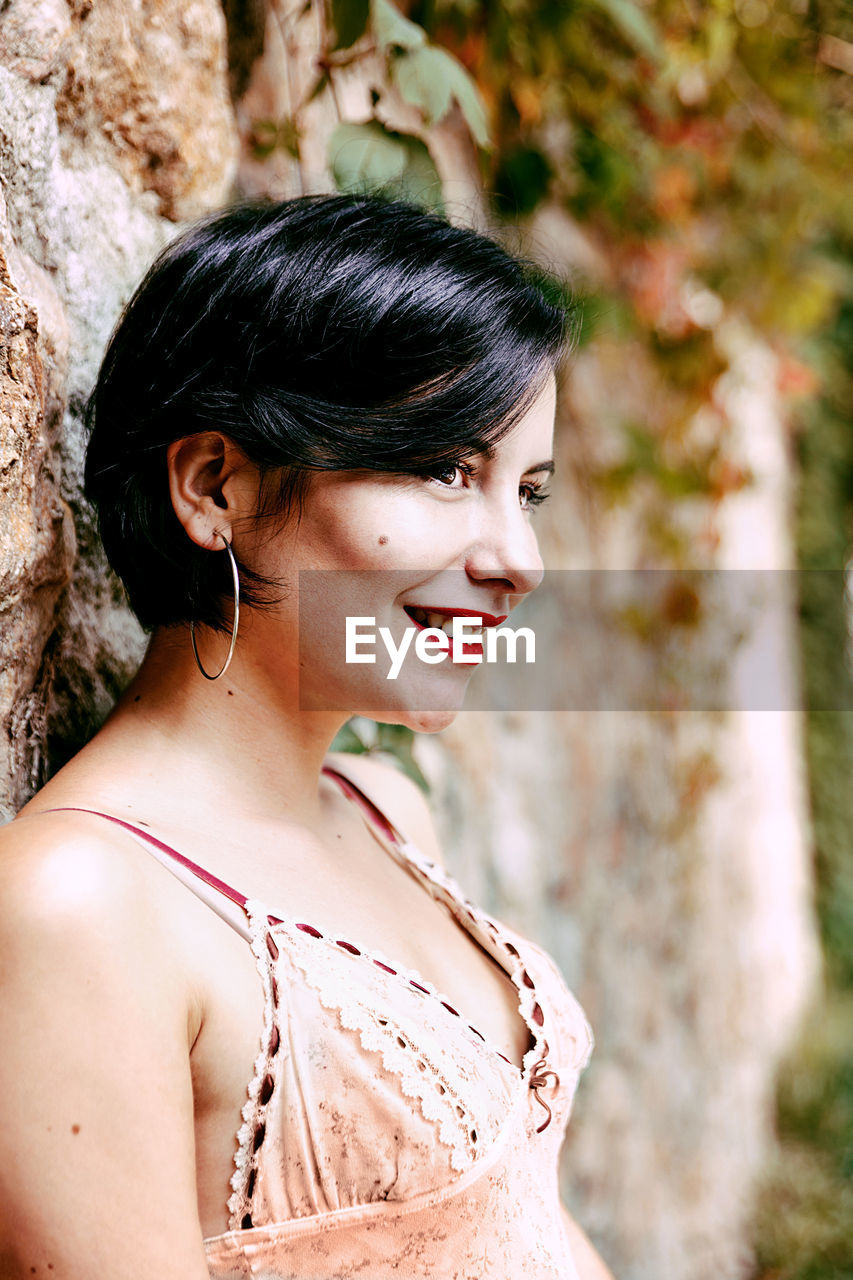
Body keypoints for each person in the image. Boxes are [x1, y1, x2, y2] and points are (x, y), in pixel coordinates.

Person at [0, 195, 612, 1279]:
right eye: (444, 469)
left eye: (528, 490)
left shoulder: (386, 811)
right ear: (213, 483)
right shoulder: (78, 907)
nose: (519, 556)